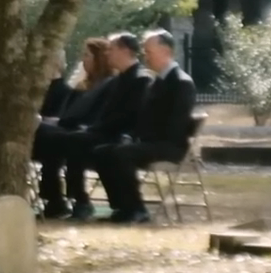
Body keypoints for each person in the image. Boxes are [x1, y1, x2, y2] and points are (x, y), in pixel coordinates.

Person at [94, 29, 198, 224]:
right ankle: (121, 207)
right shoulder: (157, 81)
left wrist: (143, 140)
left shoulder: (181, 82)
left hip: (170, 146)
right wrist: (132, 136)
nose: (145, 56)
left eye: (149, 52)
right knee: (102, 152)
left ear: (165, 51)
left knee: (122, 154)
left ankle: (137, 209)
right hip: (151, 142)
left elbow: (175, 125)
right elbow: (143, 117)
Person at [33, 37, 114, 219]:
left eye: (87, 55)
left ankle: (78, 199)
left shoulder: (109, 85)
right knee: (48, 138)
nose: (83, 60)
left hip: (91, 135)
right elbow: (67, 115)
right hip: (70, 131)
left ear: (99, 58)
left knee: (63, 140)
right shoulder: (81, 86)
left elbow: (99, 117)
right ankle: (55, 200)